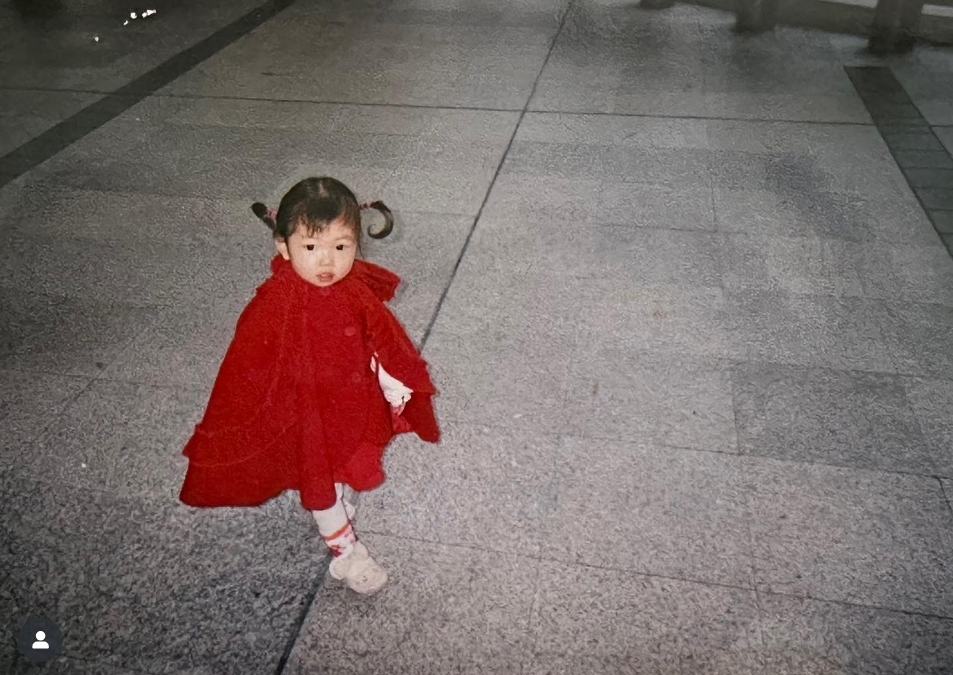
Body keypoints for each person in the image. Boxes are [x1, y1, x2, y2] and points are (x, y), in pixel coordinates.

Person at [179, 177, 441, 595]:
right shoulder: (275, 302)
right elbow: (249, 364)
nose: (327, 261)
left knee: (339, 463)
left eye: (341, 247)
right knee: (320, 475)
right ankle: (347, 553)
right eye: (311, 246)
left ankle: (333, 503)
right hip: (305, 412)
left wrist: (391, 376)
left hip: (346, 401)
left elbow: (379, 336)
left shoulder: (353, 288)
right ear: (284, 247)